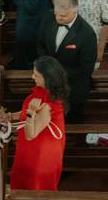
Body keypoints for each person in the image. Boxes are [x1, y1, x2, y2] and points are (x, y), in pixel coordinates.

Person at [9, 55, 69, 191]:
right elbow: (27, 111)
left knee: (34, 181)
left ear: (46, 78)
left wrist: (31, 113)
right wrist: (10, 116)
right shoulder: (44, 92)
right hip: (35, 143)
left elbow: (31, 134)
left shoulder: (50, 105)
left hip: (41, 150)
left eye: (36, 75)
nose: (32, 77)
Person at [37, 0, 98, 124]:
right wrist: (45, 66)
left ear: (75, 11)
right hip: (48, 87)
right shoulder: (49, 17)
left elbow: (86, 70)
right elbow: (40, 44)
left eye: (63, 15)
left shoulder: (87, 35)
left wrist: (55, 72)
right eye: (56, 13)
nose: (58, 18)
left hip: (73, 90)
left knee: (72, 124)